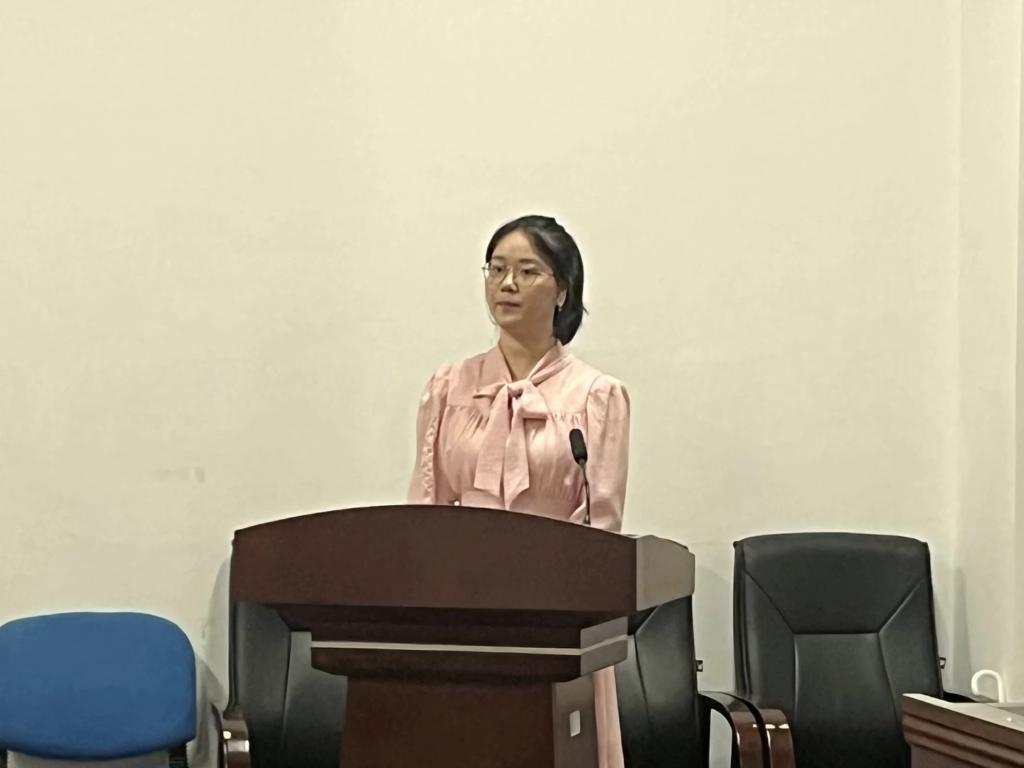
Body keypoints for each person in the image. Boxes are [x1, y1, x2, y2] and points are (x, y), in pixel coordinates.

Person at [408, 214, 630, 768]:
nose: (507, 284)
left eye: (527, 271)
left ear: (563, 291)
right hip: (463, 615)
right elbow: (426, 506)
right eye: (497, 269)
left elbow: (601, 528)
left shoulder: (597, 396)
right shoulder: (448, 387)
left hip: (555, 622)